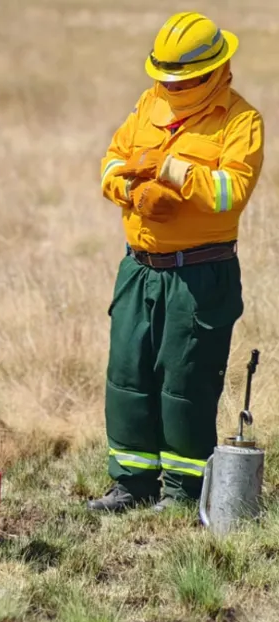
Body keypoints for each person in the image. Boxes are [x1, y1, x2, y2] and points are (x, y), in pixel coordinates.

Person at [88, 12, 264, 513]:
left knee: (185, 382)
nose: (169, 85)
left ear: (214, 70)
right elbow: (112, 160)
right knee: (128, 374)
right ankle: (131, 483)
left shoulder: (241, 121)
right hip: (139, 270)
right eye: (163, 76)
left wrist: (170, 169)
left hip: (199, 275)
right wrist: (132, 192)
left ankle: (183, 491)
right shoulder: (149, 104)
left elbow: (232, 191)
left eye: (180, 78)